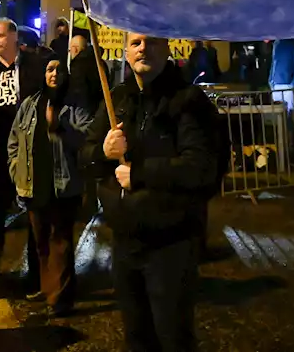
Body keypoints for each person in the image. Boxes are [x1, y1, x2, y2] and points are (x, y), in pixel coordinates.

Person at [86, 32, 217, 352]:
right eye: (136, 43)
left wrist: (141, 174)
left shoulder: (189, 101)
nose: (143, 48)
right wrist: (102, 151)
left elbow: (202, 168)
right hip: (125, 241)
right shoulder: (116, 99)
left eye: (152, 41)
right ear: (126, 52)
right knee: (137, 337)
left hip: (171, 242)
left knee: (173, 337)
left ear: (167, 48)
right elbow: (85, 157)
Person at [8, 58, 93, 317]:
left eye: (59, 69)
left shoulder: (75, 103)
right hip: (34, 185)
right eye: (49, 69)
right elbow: (14, 141)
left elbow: (89, 136)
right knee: (41, 242)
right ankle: (48, 290)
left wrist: (60, 127)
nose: (54, 74)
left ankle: (60, 298)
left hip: (62, 185)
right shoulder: (30, 104)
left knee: (61, 242)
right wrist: (16, 171)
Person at [0, 17, 47, 281]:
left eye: (0, 36)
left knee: (32, 206)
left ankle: (37, 268)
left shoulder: (34, 67)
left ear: (15, 37)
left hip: (26, 149)